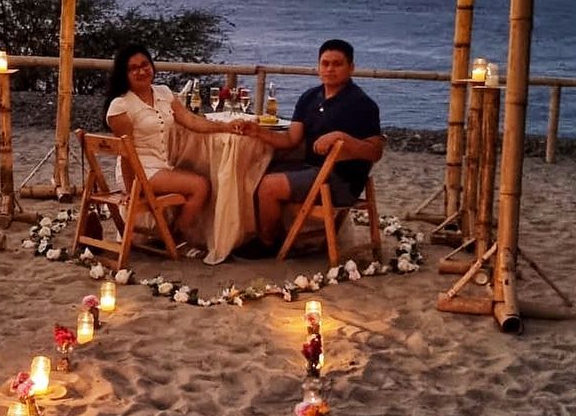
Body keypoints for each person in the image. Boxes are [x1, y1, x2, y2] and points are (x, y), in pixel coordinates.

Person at [233, 38, 385, 258]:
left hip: (341, 180)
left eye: (337, 64)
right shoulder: (309, 98)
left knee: (268, 186)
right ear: (318, 67)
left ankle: (267, 243)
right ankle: (269, 234)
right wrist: (257, 132)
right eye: (325, 63)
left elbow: (375, 151)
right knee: (253, 171)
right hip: (312, 169)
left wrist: (343, 138)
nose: (330, 69)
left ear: (351, 68)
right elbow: (290, 140)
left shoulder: (361, 104)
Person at [104, 44, 242, 248]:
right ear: (124, 74)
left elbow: (191, 121)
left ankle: (168, 237)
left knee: (199, 175)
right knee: (200, 186)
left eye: (145, 64)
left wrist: (225, 127)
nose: (141, 71)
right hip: (137, 171)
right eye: (133, 68)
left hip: (160, 165)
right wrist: (130, 189)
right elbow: (126, 153)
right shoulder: (120, 105)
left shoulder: (164, 93)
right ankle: (175, 239)